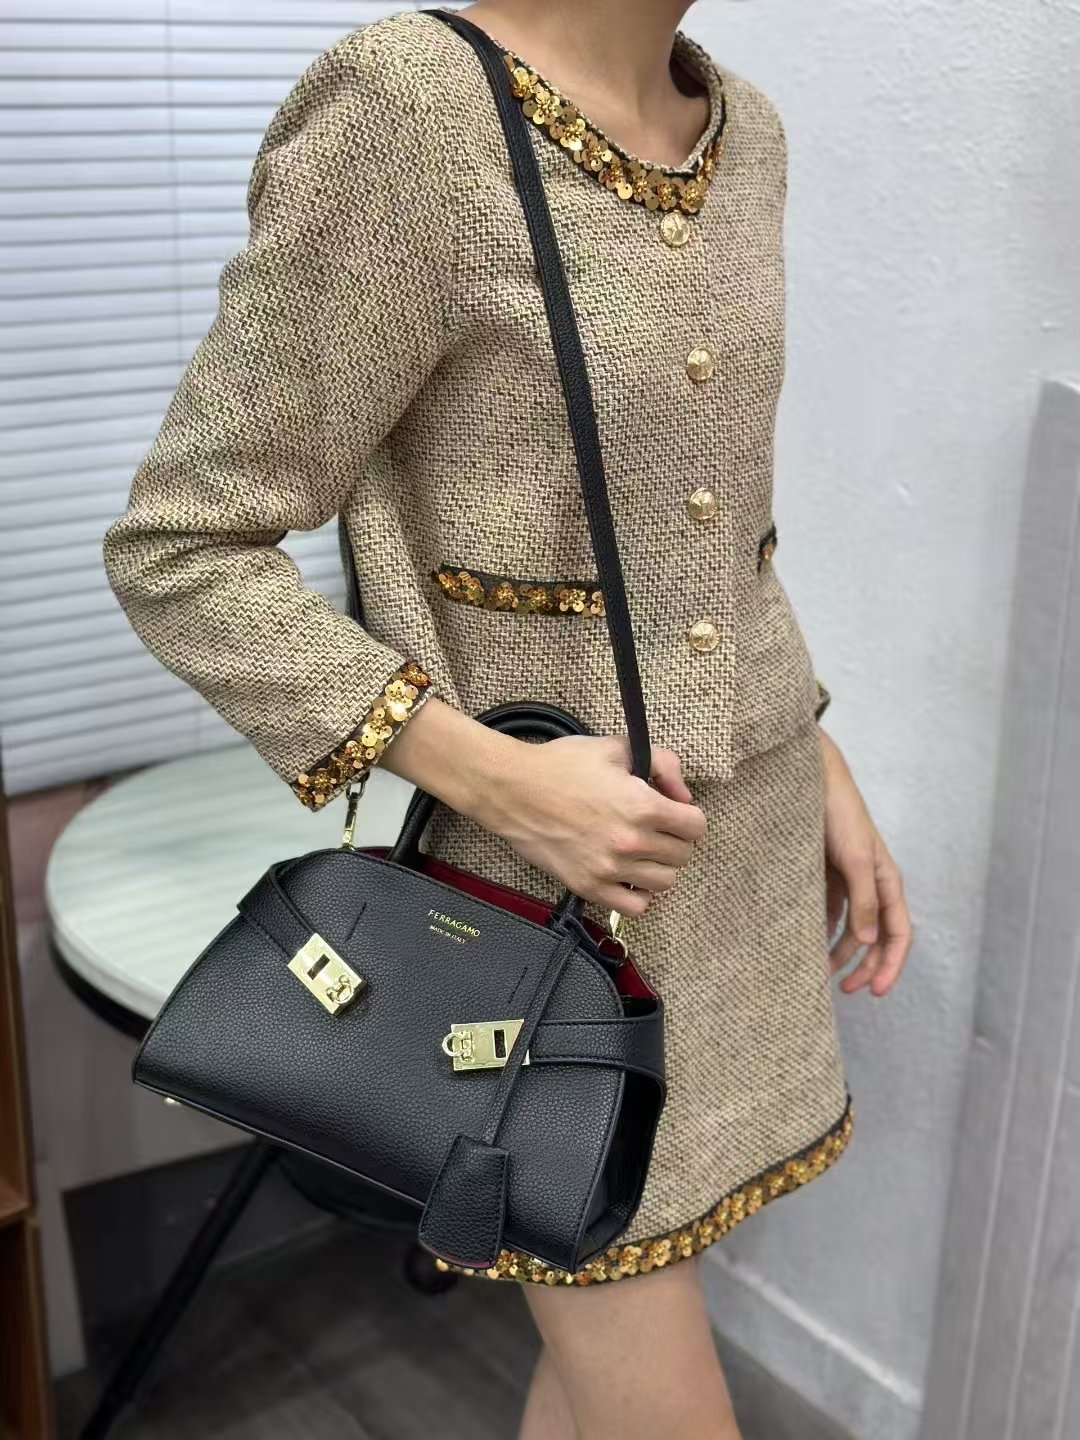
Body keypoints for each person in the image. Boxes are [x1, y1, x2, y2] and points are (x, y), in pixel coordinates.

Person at [102, 3, 913, 1436]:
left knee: (603, 1317)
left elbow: (717, 537)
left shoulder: (748, 133)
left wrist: (819, 750)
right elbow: (185, 547)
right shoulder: (411, 112)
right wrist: (498, 781)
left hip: (740, 852)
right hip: (541, 909)